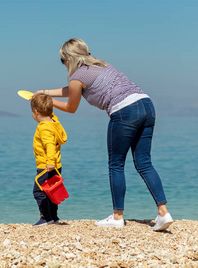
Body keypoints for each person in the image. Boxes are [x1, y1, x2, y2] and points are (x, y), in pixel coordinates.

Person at [34, 38, 173, 231]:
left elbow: (71, 106)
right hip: (146, 105)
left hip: (124, 111)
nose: (63, 64)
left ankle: (117, 217)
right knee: (144, 163)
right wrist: (45, 92)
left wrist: (46, 102)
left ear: (68, 58)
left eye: (62, 60)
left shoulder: (77, 77)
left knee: (116, 164)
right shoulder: (103, 65)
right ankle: (163, 213)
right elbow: (75, 90)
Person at [30, 93, 68, 226]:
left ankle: (46, 217)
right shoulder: (54, 123)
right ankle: (54, 217)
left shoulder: (44, 127)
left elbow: (50, 145)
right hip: (57, 165)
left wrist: (50, 162)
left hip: (47, 165)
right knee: (52, 191)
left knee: (38, 191)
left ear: (36, 112)